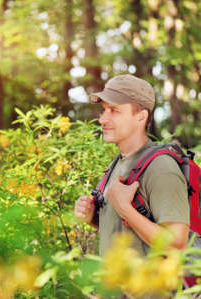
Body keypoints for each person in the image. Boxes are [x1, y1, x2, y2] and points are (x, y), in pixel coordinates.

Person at [74, 74, 190, 264]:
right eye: (103, 110)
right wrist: (93, 217)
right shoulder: (119, 163)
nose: (103, 119)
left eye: (114, 110)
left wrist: (125, 209)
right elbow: (128, 231)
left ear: (141, 116)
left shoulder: (161, 168)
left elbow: (177, 245)